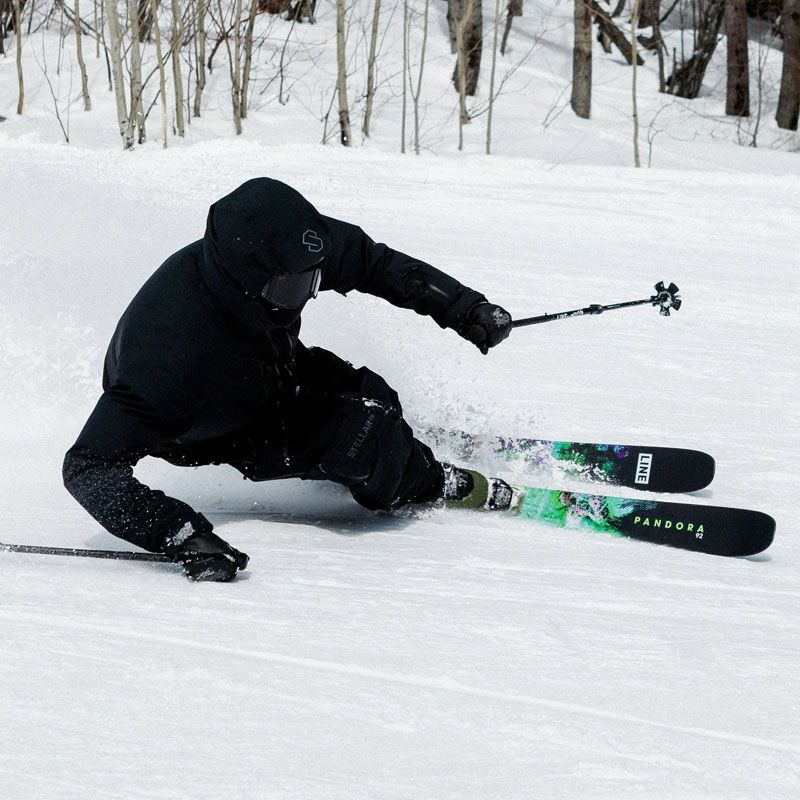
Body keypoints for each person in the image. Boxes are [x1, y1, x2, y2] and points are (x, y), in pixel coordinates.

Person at [63, 178, 513, 582]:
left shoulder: (292, 253)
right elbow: (86, 467)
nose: (308, 294)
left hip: (270, 361)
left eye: (312, 280)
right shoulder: (164, 362)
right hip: (220, 424)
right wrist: (180, 535)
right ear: (245, 283)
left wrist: (464, 308)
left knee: (371, 396)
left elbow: (374, 263)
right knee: (361, 437)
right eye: (291, 289)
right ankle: (428, 480)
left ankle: (394, 451)